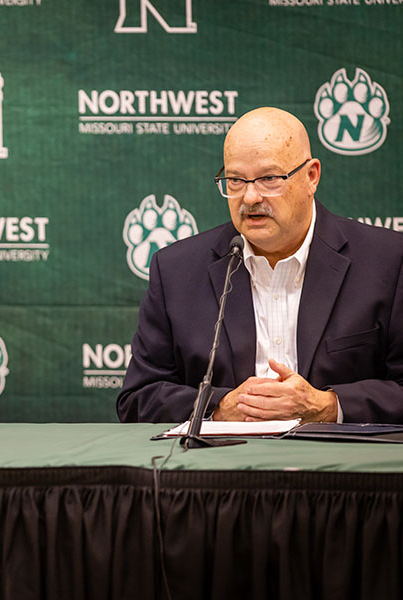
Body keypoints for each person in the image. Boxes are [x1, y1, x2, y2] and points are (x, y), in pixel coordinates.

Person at [118, 106, 403, 424]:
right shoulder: (176, 271)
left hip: (341, 468)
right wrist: (219, 407)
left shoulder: (388, 261)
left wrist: (329, 406)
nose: (250, 197)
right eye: (236, 180)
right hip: (226, 467)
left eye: (269, 179)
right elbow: (137, 398)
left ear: (311, 176)